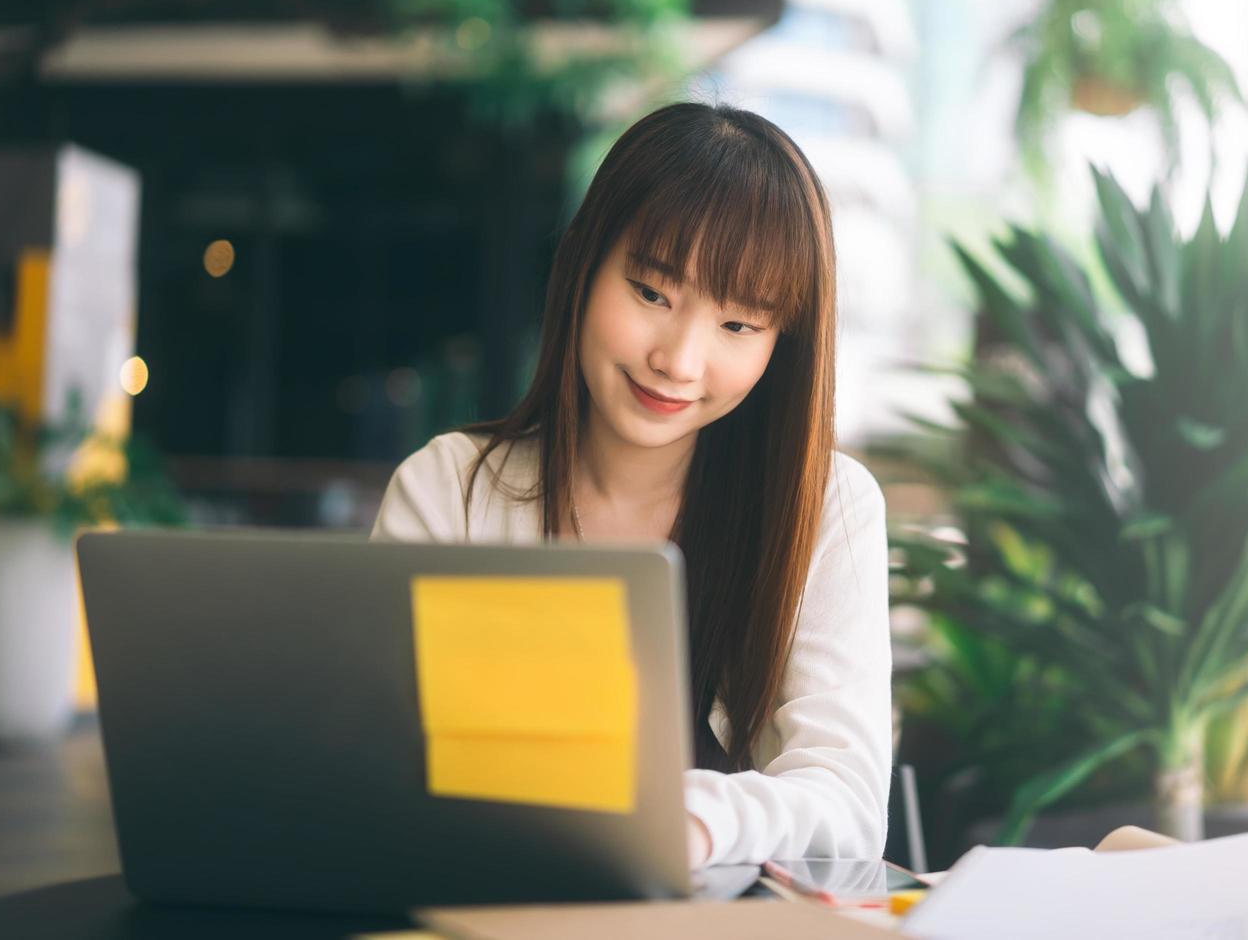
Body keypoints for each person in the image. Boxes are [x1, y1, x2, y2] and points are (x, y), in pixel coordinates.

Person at [370, 101, 891, 870]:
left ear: (784, 343)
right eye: (651, 293)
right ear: (582, 267)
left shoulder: (827, 509)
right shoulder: (449, 487)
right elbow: (373, 764)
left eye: (739, 326)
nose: (679, 361)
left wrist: (693, 822)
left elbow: (845, 803)